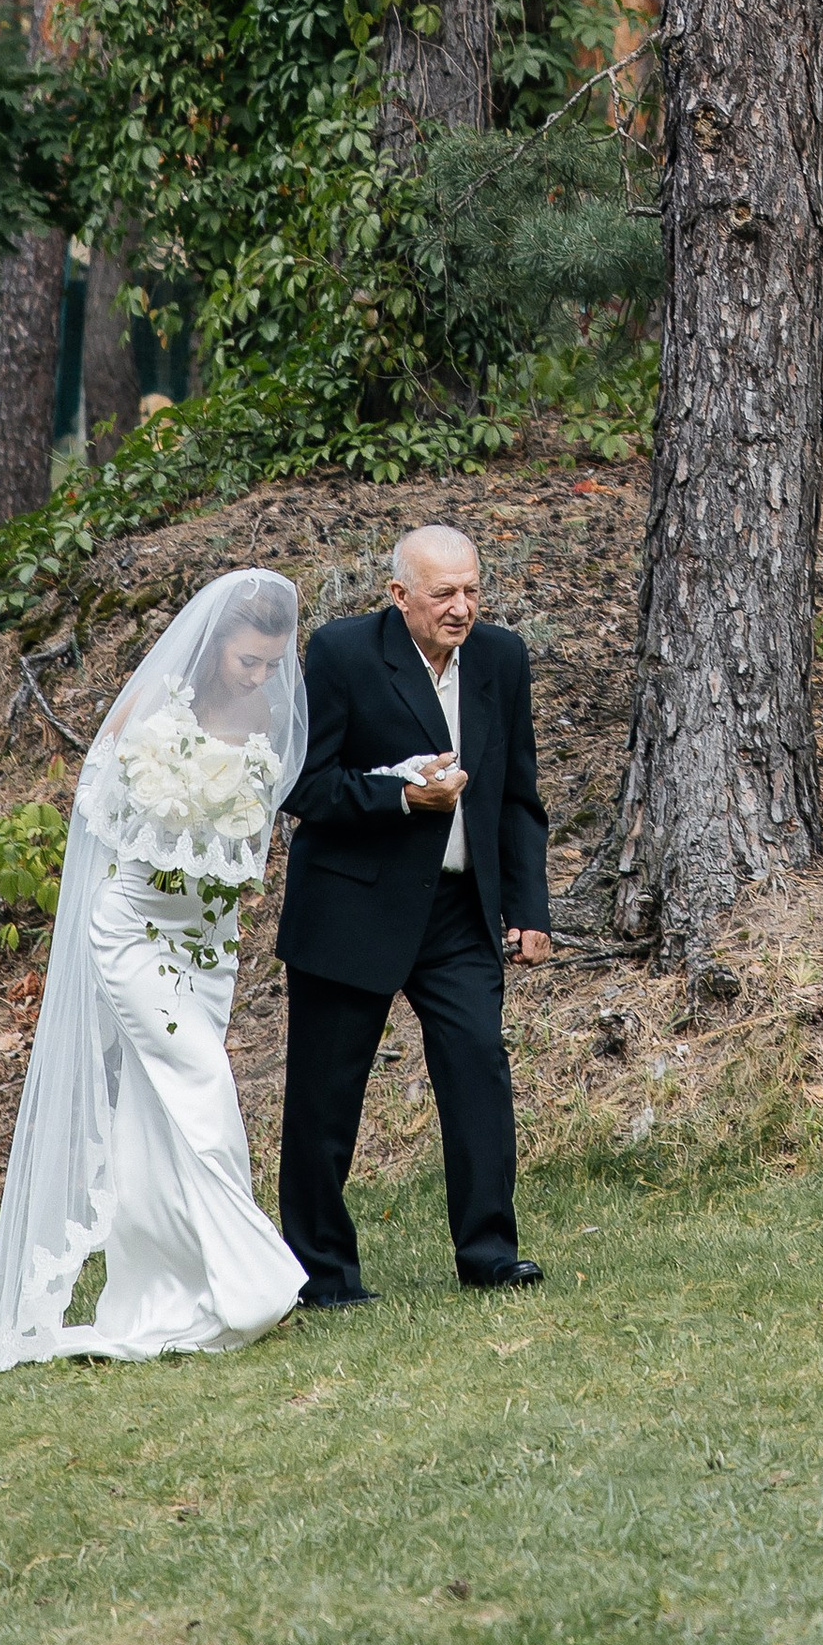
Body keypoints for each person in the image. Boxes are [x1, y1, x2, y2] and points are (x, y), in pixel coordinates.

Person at [0, 570, 308, 1368]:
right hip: (135, 932)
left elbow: (253, 829)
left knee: (155, 1119)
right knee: (202, 1083)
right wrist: (174, 812)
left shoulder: (268, 710)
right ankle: (258, 1281)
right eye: (247, 663)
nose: (261, 678)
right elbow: (98, 811)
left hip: (209, 938)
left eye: (271, 664)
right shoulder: (157, 707)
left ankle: (169, 1284)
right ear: (214, 648)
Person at [276, 521, 551, 1299]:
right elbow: (305, 787)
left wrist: (529, 907)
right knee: (325, 1101)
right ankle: (323, 1274)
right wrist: (399, 794)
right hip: (351, 908)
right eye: (444, 595)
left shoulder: (501, 658)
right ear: (399, 596)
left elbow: (520, 796)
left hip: (461, 913)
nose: (462, 608)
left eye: (472, 591)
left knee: (477, 1075)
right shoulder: (341, 653)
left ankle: (492, 1257)